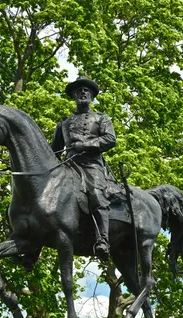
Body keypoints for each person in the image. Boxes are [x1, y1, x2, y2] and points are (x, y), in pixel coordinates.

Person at [51, 76, 116, 260]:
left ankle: (102, 239)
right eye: (78, 90)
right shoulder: (64, 122)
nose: (83, 92)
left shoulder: (101, 118)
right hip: (69, 165)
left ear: (92, 95)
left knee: (96, 194)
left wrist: (86, 144)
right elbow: (53, 151)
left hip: (91, 165)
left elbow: (110, 139)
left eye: (86, 90)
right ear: (73, 95)